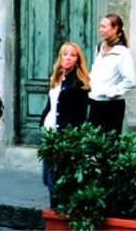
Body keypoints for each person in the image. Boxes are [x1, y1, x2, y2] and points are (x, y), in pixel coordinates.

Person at [40, 42, 90, 208]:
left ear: (77, 60)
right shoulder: (56, 77)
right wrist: (42, 122)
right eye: (65, 54)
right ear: (60, 58)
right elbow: (50, 105)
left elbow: (79, 114)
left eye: (72, 55)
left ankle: (57, 212)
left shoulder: (78, 82)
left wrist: (65, 132)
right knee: (47, 178)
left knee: (56, 179)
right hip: (48, 133)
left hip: (62, 135)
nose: (68, 58)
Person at [88, 14, 136, 134]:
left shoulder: (122, 53)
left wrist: (109, 92)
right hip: (95, 102)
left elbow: (131, 81)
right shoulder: (99, 47)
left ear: (115, 29)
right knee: (93, 142)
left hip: (112, 106)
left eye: (104, 27)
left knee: (110, 143)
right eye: (100, 27)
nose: (100, 30)